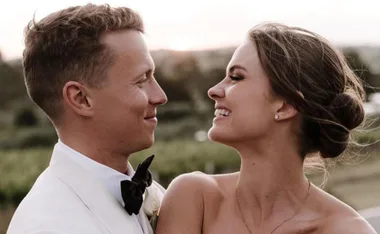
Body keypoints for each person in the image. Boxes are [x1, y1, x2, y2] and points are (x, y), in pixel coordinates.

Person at [156, 23, 376, 234]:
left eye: (236, 77)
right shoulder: (194, 199)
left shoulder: (346, 230)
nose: (213, 90)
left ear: (287, 105)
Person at [7, 3, 167, 234]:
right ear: (81, 99)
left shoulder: (155, 196)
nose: (160, 97)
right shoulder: (46, 226)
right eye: (141, 80)